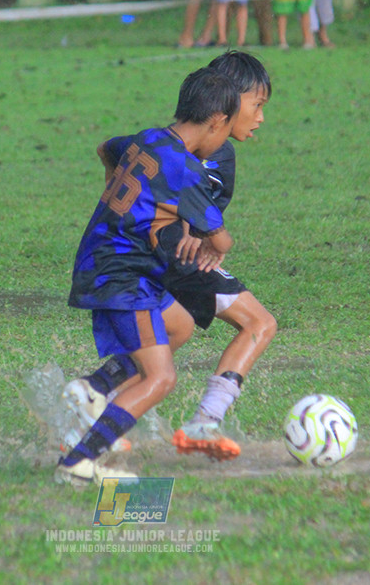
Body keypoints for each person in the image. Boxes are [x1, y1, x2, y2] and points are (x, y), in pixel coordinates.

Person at [62, 51, 276, 463]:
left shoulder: (157, 137)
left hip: (134, 255)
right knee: (259, 323)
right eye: (257, 104)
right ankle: (203, 422)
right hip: (173, 260)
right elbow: (209, 230)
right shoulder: (212, 154)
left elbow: (111, 150)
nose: (261, 116)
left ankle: (92, 417)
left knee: (175, 328)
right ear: (224, 109)